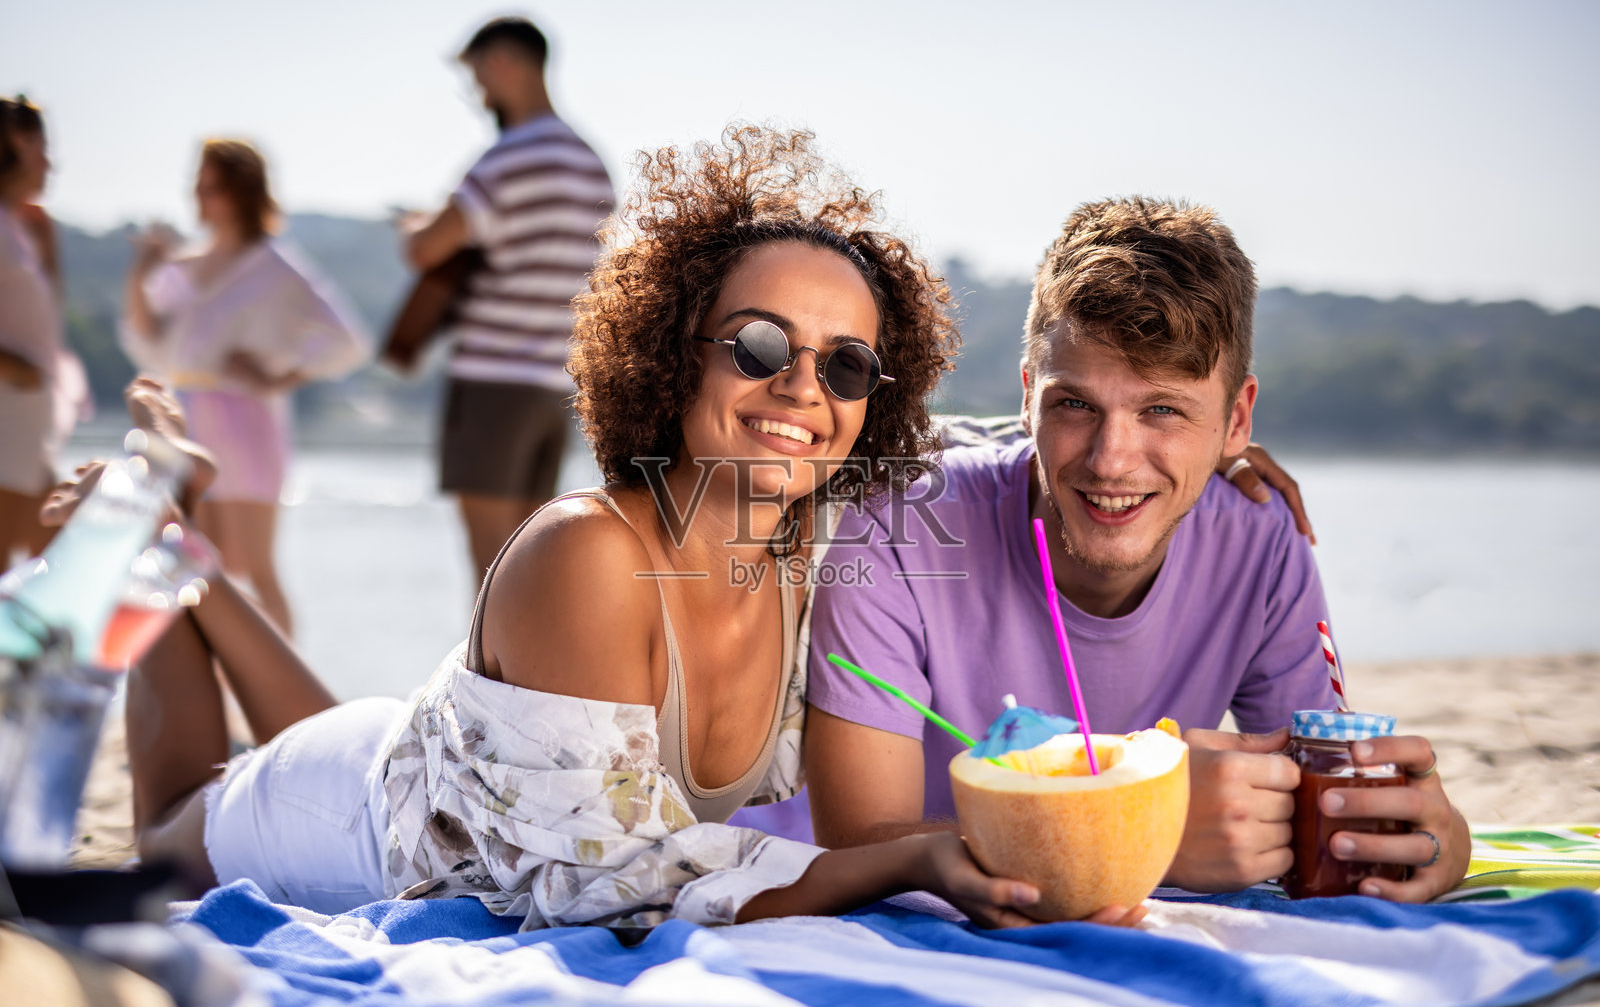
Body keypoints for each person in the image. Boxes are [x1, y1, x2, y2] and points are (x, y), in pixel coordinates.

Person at [94, 126, 1138, 933]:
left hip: (450, 757)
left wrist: (1186, 450)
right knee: (174, 821)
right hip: (339, 817)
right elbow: (599, 879)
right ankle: (160, 519)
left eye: (847, 365)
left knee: (385, 739)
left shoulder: (822, 524)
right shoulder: (587, 555)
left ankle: (193, 549)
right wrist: (905, 857)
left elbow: (978, 447)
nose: (801, 388)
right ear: (669, 347)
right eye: (761, 342)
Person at [790, 197, 1471, 902]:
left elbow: (1319, 802)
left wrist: (1431, 838)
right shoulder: (901, 528)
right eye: (1076, 404)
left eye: (1163, 410)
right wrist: (1147, 826)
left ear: (1236, 419)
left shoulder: (1260, 533)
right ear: (1028, 398)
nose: (1112, 461)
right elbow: (854, 838)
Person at [390, 16, 616, 584]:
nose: (479, 95)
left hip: (493, 381)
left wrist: (412, 227)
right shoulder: (593, 166)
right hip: (554, 385)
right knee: (527, 563)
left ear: (503, 64)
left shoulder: (508, 157)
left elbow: (425, 248)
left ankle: (483, 673)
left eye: (478, 79)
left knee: (488, 567)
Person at [121, 139, 372, 635]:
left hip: (247, 421)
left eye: (211, 186)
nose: (200, 196)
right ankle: (214, 690)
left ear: (242, 190)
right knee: (191, 564)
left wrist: (279, 375)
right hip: (184, 420)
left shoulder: (275, 266)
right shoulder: (182, 265)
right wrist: (140, 276)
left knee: (257, 569)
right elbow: (146, 343)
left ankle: (282, 698)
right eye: (198, 185)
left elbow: (348, 341)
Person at [0, 95, 89, 570]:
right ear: (11, 144)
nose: (50, 162)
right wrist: (13, 366)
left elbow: (48, 319)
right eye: (39, 145)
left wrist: (49, 247)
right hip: (6, 425)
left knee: (58, 562)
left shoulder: (19, 227)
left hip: (26, 433)